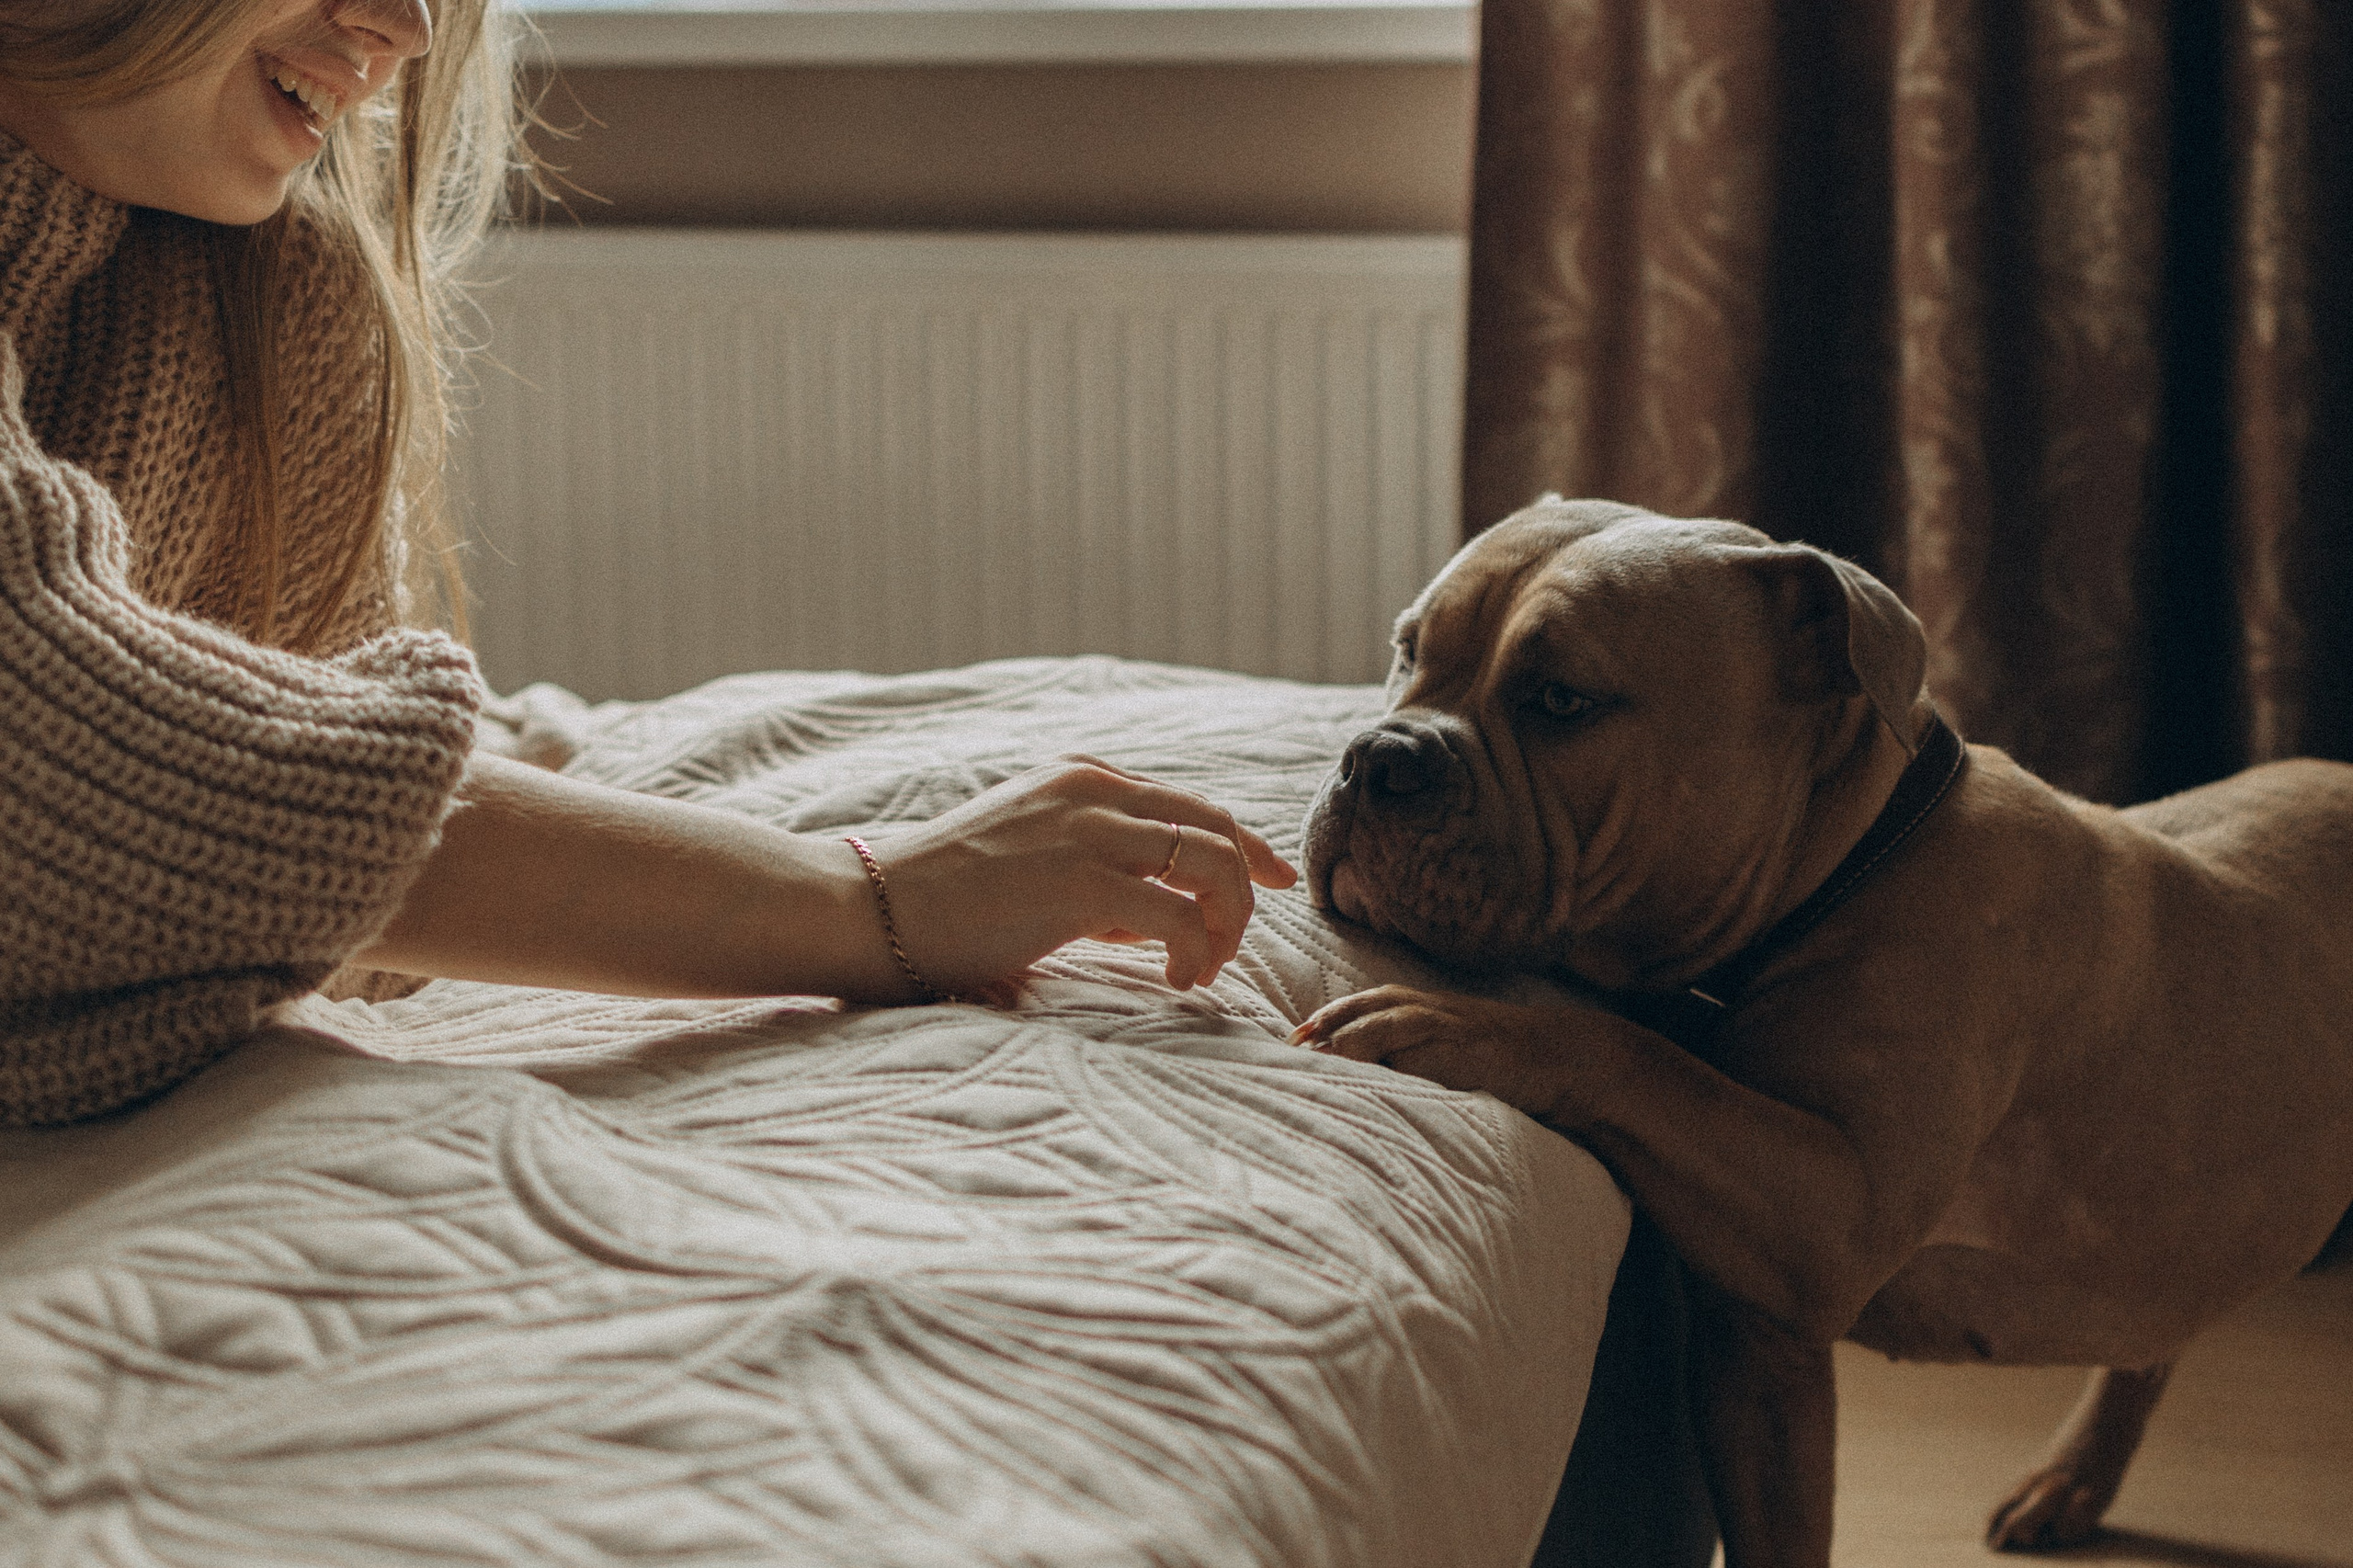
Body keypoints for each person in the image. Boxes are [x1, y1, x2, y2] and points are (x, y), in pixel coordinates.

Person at [0, 0, 1294, 1129]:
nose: (404, 25)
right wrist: (870, 904)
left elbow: (288, 901)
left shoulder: (263, 289)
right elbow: (66, 745)